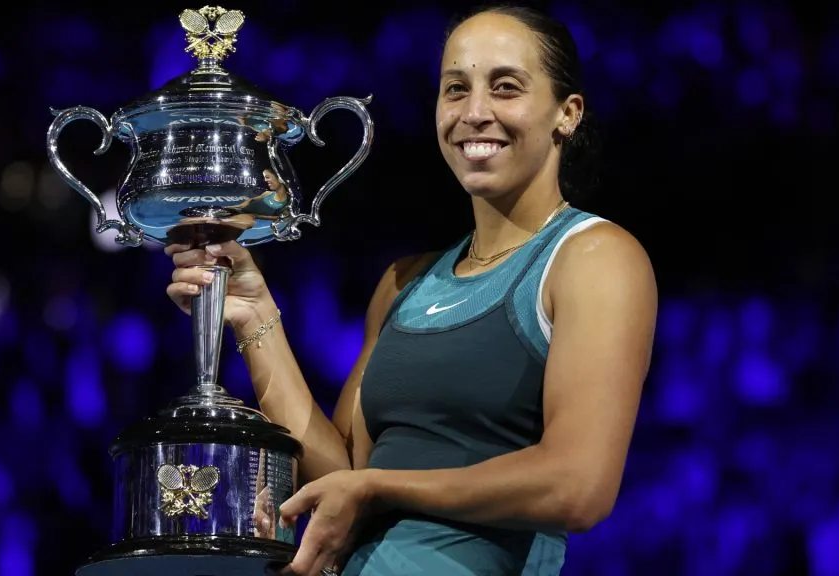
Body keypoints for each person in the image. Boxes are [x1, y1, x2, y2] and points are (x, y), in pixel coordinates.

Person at [165, 5, 657, 575]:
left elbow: (578, 485)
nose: (475, 113)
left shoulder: (594, 257)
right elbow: (338, 477)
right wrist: (253, 312)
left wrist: (380, 488)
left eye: (505, 88)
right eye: (456, 89)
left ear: (566, 114)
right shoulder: (404, 283)